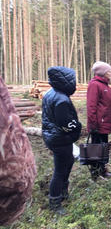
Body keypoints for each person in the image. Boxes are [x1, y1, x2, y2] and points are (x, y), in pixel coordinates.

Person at [42, 66, 82, 215]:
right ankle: (55, 202)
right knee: (59, 170)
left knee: (69, 161)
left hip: (53, 136)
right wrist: (78, 126)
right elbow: (65, 122)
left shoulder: (50, 93)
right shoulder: (61, 99)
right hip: (60, 139)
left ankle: (64, 192)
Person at [87, 61, 111, 178]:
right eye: (109, 71)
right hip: (98, 124)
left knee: (103, 147)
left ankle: (102, 170)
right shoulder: (95, 85)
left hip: (104, 122)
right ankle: (96, 172)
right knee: (96, 148)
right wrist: (93, 123)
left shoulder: (104, 85)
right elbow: (91, 106)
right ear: (103, 72)